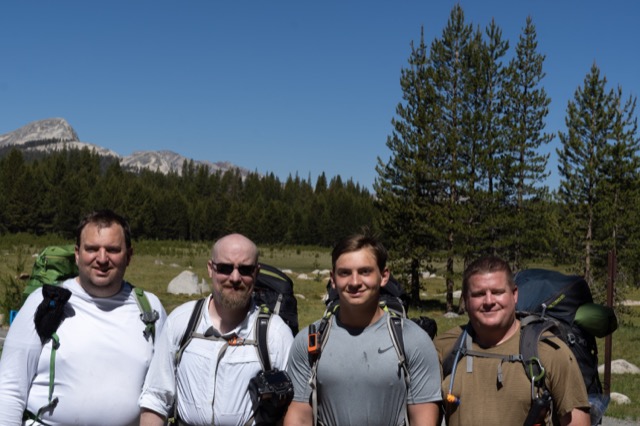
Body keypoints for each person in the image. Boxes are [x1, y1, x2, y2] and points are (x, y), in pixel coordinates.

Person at [0, 209, 167, 426]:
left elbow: (161, 391)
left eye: (113, 249)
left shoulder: (150, 309)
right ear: (77, 254)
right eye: (92, 249)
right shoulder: (44, 301)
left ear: (129, 255)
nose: (102, 258)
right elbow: (9, 388)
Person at [284, 233, 442, 426]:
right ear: (333, 280)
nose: (355, 282)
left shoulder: (413, 340)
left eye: (365, 271)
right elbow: (299, 416)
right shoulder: (309, 339)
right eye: (345, 273)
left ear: (384, 276)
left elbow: (424, 419)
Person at [139, 233, 294, 426]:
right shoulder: (181, 321)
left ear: (256, 272)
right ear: (210, 269)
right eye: (225, 268)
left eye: (245, 269)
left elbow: (293, 411)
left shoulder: (276, 334)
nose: (235, 277)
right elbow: (156, 398)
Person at [434, 255, 591, 426]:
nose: (489, 301)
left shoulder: (550, 352)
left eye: (497, 292)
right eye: (479, 294)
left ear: (514, 294)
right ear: (465, 299)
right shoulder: (445, 348)